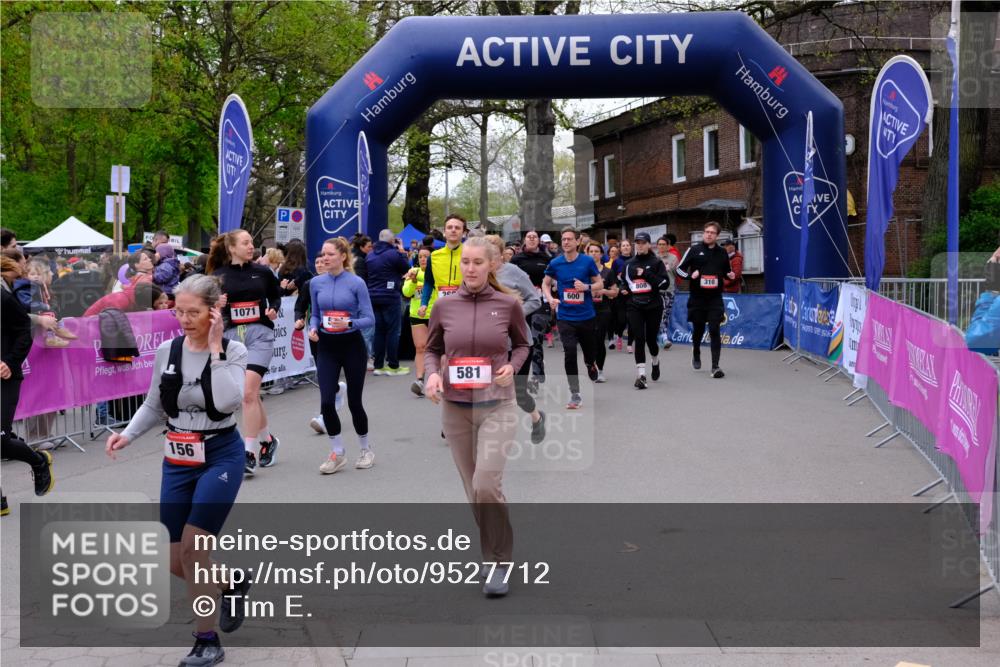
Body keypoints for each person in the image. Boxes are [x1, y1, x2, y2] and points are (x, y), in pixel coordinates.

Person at [106, 274, 251, 666]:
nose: (184, 319)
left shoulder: (234, 351)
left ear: (213, 313)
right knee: (174, 558)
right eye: (179, 311)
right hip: (178, 460)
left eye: (194, 312)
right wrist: (128, 434)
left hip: (220, 455)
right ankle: (231, 583)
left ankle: (207, 640)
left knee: (193, 549)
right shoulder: (168, 350)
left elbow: (227, 401)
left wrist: (217, 348)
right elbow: (154, 404)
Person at [423, 236, 531, 597]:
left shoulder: (507, 304)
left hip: (497, 404)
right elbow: (432, 348)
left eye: (477, 263)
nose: (470, 268)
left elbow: (523, 344)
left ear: (491, 265)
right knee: (474, 491)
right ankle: (494, 550)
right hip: (455, 409)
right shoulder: (444, 305)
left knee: (487, 484)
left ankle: (499, 562)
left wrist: (512, 368)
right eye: (465, 262)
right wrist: (432, 374)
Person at [207, 230, 282, 474]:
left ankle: (247, 453)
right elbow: (207, 306)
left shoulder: (262, 271)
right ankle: (267, 440)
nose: (251, 247)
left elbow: (275, 295)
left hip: (260, 334)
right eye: (246, 243)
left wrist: (274, 310)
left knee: (249, 393)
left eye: (252, 242)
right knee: (250, 395)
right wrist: (218, 304)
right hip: (231, 337)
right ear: (231, 248)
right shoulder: (217, 276)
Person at [309, 237, 376, 474]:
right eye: (323, 254)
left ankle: (365, 449)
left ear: (343, 256)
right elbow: (315, 314)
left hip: (352, 346)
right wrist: (313, 327)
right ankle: (337, 452)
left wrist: (349, 322)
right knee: (326, 401)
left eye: (329, 254)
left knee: (355, 403)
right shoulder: (316, 283)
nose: (324, 258)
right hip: (326, 346)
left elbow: (370, 319)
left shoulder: (356, 283)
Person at [1, 256, 56, 517]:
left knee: (0, 438)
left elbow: (23, 327)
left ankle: (38, 461)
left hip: (5, 376)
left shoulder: (2, 298)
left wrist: (10, 362)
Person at [487, 234, 546, 443]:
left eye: (494, 252)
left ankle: (537, 418)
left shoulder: (514, 272)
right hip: (490, 344)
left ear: (502, 254)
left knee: (518, 393)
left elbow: (535, 300)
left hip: (518, 343)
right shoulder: (478, 274)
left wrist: (515, 311)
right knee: (488, 387)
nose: (490, 256)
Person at [541, 227, 603, 410]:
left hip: (586, 316)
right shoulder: (556, 263)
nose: (566, 242)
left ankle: (591, 364)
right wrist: (550, 298)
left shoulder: (587, 261)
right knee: (569, 352)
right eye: (563, 239)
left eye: (569, 239)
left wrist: (587, 287)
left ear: (577, 242)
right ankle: (575, 393)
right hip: (565, 316)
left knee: (590, 352)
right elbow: (545, 284)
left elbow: (600, 283)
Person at [676, 221, 735, 378]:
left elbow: (727, 271)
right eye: (707, 231)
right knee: (699, 330)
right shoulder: (694, 250)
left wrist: (730, 275)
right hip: (698, 298)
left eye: (712, 232)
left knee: (715, 329)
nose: (709, 234)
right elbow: (679, 270)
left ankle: (715, 366)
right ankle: (696, 351)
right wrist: (690, 276)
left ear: (717, 236)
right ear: (703, 233)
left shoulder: (722, 252)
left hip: (715, 298)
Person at [622, 233, 671, 389]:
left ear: (649, 244)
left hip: (653, 306)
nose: (640, 245)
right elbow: (624, 282)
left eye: (643, 242)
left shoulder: (656, 263)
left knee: (651, 339)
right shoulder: (629, 263)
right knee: (639, 338)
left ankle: (655, 361)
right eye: (637, 242)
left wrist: (646, 274)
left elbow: (664, 283)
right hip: (634, 305)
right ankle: (641, 375)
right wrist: (623, 289)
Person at [510, 229, 553, 389]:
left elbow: (553, 279)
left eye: (535, 237)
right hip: (522, 304)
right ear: (525, 240)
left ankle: (535, 376)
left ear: (539, 241)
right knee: (522, 341)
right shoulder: (516, 259)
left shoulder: (546, 258)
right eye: (529, 237)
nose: (532, 239)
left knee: (535, 339)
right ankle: (527, 372)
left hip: (541, 303)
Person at [366, 229, 412, 376]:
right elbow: (406, 268)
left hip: (373, 296)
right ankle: (393, 365)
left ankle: (379, 366)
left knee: (378, 332)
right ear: (392, 241)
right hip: (390, 296)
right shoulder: (394, 254)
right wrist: (401, 250)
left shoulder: (370, 255)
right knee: (393, 331)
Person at [418, 214, 466, 318]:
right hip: (440, 310)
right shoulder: (434, 256)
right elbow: (428, 282)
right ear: (444, 232)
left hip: (464, 310)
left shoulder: (470, 255)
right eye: (449, 227)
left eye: (457, 228)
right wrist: (423, 303)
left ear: (463, 233)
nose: (453, 230)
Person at [586, 241, 619, 383]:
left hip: (603, 310)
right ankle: (590, 365)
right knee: (588, 341)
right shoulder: (583, 271)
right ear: (587, 254)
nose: (593, 254)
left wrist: (604, 291)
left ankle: (600, 370)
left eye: (596, 251)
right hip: (586, 310)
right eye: (591, 251)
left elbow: (615, 292)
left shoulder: (608, 271)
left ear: (601, 254)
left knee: (599, 340)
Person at [402, 247, 432, 396]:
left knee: (440, 348)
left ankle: (439, 378)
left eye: (426, 256)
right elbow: (406, 292)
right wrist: (412, 281)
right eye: (420, 256)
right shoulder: (413, 271)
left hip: (435, 314)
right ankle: (420, 381)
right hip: (417, 315)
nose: (423, 259)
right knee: (420, 347)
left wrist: (418, 278)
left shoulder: (437, 272)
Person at [656, 235, 680, 349]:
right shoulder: (654, 258)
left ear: (668, 246)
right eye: (659, 244)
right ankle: (663, 336)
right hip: (656, 290)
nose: (661, 246)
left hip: (669, 289)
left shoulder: (673, 258)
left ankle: (662, 335)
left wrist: (671, 269)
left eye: (663, 244)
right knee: (659, 313)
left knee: (666, 313)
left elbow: (678, 274)